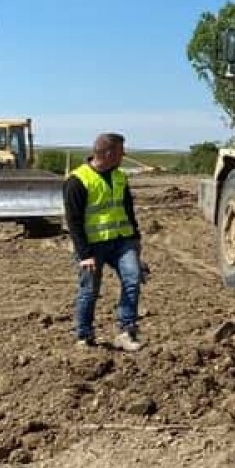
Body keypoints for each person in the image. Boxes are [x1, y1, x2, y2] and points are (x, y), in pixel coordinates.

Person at [63, 132, 147, 351]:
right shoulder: (77, 180)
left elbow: (128, 210)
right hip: (92, 246)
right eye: (121, 151)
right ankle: (84, 334)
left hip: (122, 241)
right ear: (108, 153)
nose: (124, 155)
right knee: (89, 291)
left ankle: (126, 331)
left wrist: (135, 239)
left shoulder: (120, 177)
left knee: (133, 279)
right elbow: (73, 221)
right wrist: (84, 255)